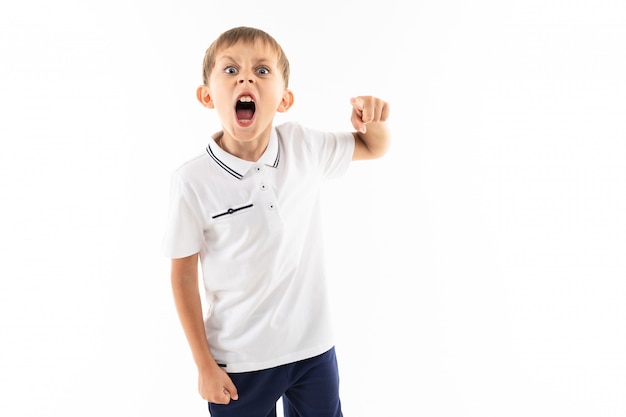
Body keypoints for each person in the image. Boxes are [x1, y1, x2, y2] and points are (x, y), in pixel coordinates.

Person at [162, 26, 390, 417]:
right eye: (230, 71)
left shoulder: (304, 145)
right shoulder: (191, 181)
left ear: (285, 99)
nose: (246, 78)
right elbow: (182, 275)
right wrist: (203, 365)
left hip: (312, 349)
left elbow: (373, 146)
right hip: (238, 362)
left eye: (262, 71)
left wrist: (374, 119)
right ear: (206, 95)